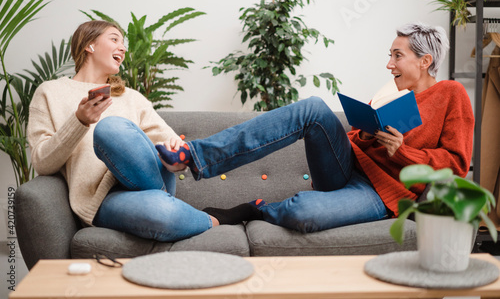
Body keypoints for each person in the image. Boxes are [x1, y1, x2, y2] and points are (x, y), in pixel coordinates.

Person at [157, 22, 474, 233]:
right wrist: (364, 134)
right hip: (347, 165)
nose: (389, 64)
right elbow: (354, 140)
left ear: (424, 60)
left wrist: (401, 151)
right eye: (389, 56)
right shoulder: (394, 94)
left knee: (303, 213)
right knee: (313, 108)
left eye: (397, 56)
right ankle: (194, 154)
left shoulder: (452, 95)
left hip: (382, 191)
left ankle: (253, 210)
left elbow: (456, 166)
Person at [27, 20, 232, 242]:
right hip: (105, 200)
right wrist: (79, 121)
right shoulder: (50, 92)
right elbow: (42, 162)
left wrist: (175, 152)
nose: (123, 48)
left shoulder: (132, 97)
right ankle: (217, 217)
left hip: (150, 178)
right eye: (114, 39)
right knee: (162, 212)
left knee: (110, 128)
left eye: (123, 43)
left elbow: (169, 140)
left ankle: (164, 200)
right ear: (90, 45)